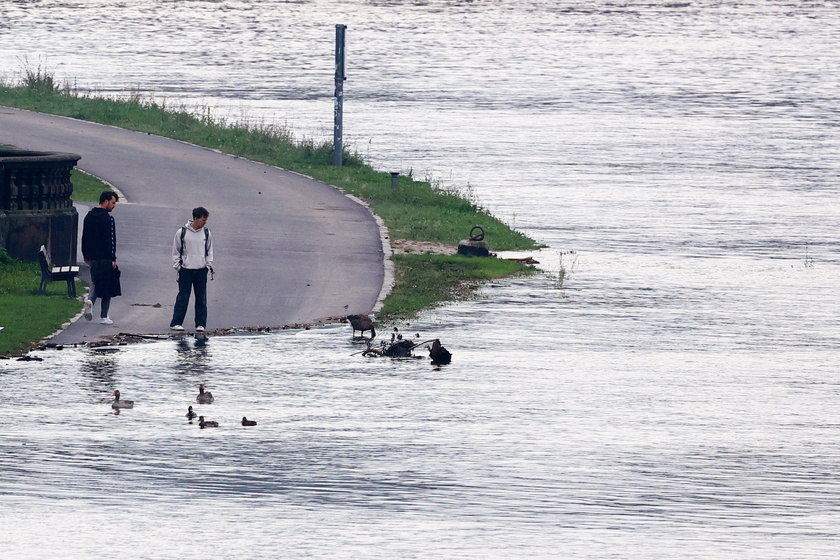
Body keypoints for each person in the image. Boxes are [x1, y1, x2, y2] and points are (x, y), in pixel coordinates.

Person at [170, 207, 213, 332]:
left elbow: (209, 250)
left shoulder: (206, 233)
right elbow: (176, 250)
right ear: (195, 218)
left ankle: (200, 324)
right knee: (183, 297)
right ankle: (176, 323)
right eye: (203, 220)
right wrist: (178, 266)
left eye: (206, 220)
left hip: (201, 270)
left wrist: (208, 265)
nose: (205, 222)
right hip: (186, 270)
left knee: (201, 298)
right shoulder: (181, 232)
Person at [81, 190, 119, 324]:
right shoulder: (108, 219)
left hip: (92, 256)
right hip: (105, 256)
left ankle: (90, 300)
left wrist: (85, 253)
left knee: (96, 281)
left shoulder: (89, 216)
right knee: (107, 285)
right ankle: (104, 316)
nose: (114, 206)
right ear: (106, 201)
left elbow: (84, 236)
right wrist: (112, 258)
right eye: (113, 203)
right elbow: (110, 240)